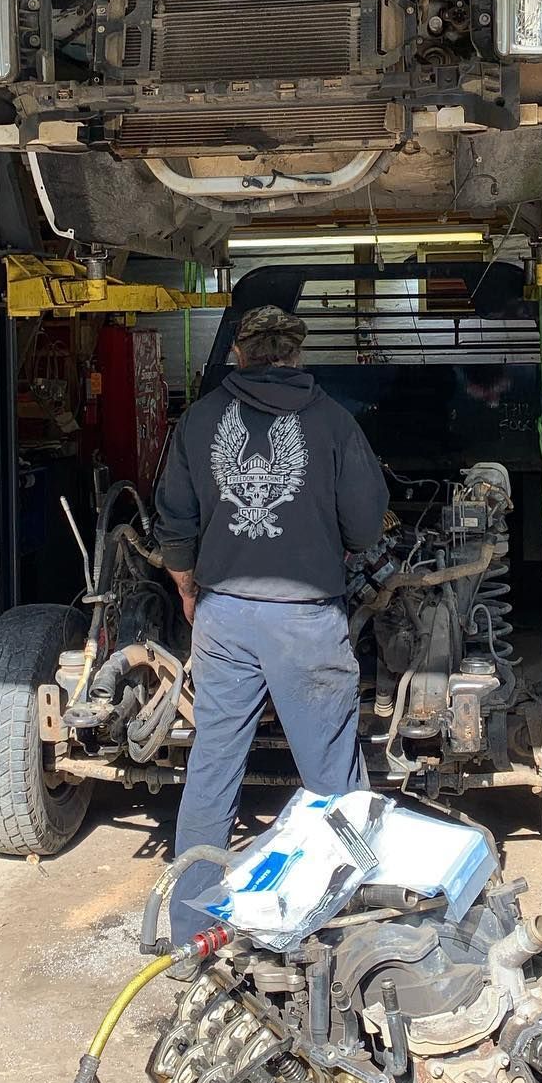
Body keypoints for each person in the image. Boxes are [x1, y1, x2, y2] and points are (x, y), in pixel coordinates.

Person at [154, 303, 389, 939]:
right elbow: (367, 526)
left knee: (213, 763)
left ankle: (186, 930)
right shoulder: (335, 424)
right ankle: (340, 929)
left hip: (223, 616)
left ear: (239, 352)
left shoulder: (200, 421)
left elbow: (173, 518)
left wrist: (185, 584)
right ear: (295, 354)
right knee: (331, 777)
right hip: (304, 619)